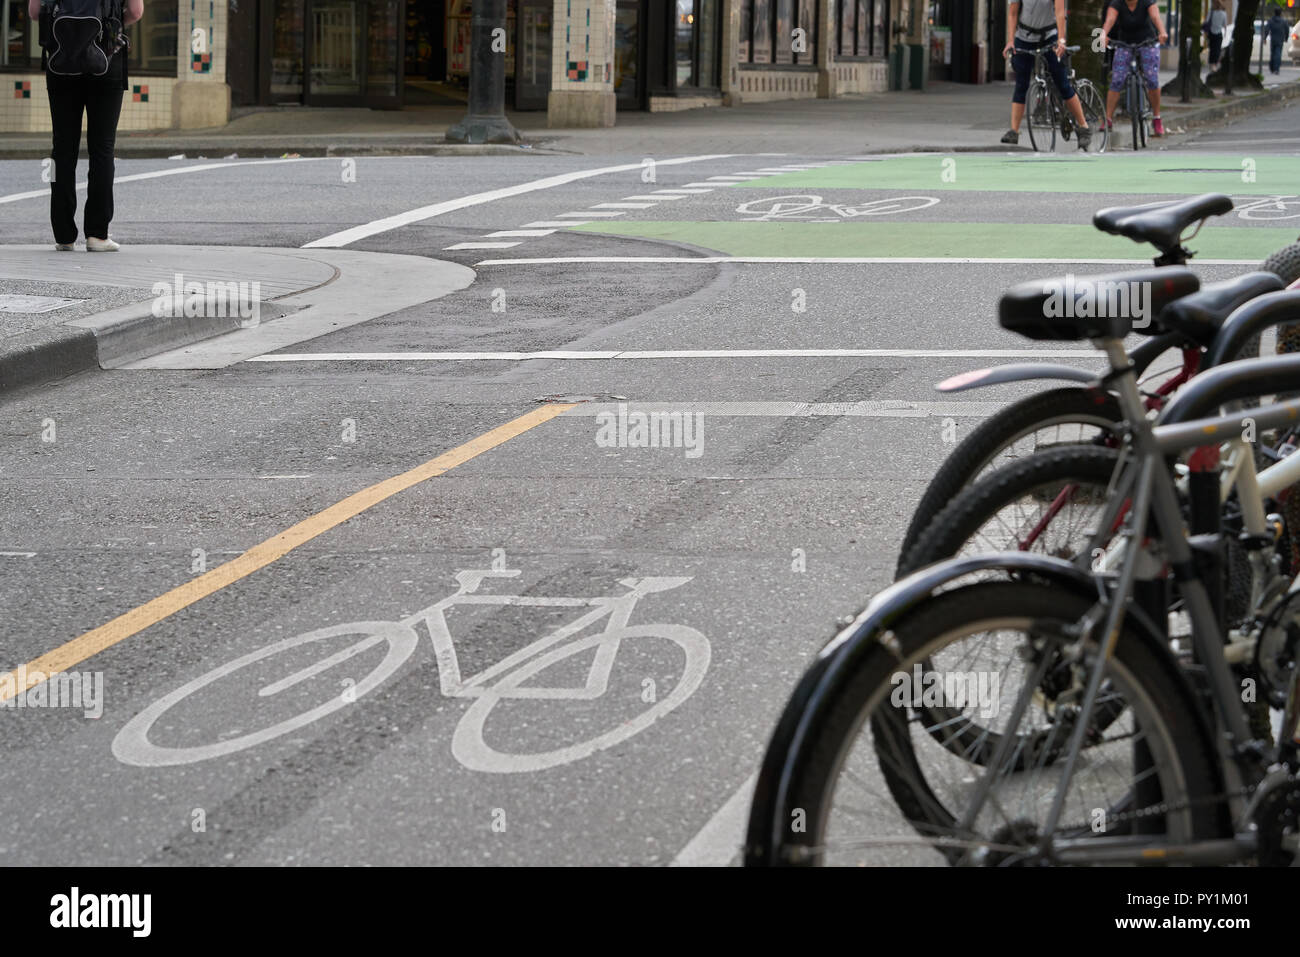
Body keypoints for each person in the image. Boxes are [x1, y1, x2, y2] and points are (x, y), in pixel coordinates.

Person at [29, 0, 143, 252]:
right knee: (102, 149)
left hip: (61, 62)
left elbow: (35, 13)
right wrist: (106, 26)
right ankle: (97, 235)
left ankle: (64, 235)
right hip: (107, 59)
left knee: (61, 149)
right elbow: (135, 12)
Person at [1001, 0, 1093, 149]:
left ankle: (1083, 127)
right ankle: (1014, 131)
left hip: (1049, 36)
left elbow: (1059, 12)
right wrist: (1010, 41)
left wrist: (1061, 40)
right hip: (1024, 37)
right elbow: (1012, 13)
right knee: (1021, 84)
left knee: (1062, 83)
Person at [1100, 0, 1169, 136]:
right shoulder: (1117, 3)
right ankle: (1108, 119)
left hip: (1147, 42)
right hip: (1124, 43)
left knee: (1152, 80)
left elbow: (1155, 17)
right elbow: (1110, 19)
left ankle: (1156, 118)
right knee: (1117, 80)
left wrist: (1162, 32)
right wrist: (1103, 34)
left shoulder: (1146, 1)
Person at [1203, 0, 1228, 69]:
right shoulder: (1223, 13)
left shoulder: (1211, 12)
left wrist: (1206, 33)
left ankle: (1212, 64)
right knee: (1217, 49)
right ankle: (1215, 64)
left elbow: (1206, 22)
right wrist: (1225, 34)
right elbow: (1225, 25)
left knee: (1212, 49)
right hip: (1219, 33)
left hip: (1211, 33)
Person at [1267, 7, 1290, 74]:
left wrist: (1265, 37)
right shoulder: (1283, 21)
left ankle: (1272, 67)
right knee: (1278, 53)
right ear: (1280, 13)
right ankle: (1276, 68)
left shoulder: (1271, 20)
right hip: (1280, 40)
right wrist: (1286, 38)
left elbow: (1267, 29)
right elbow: (1287, 30)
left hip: (1273, 39)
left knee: (1273, 53)